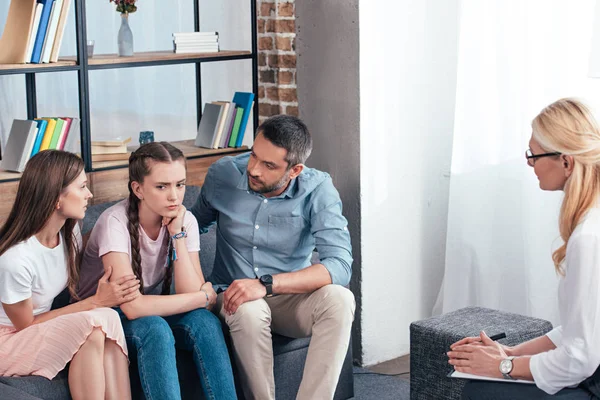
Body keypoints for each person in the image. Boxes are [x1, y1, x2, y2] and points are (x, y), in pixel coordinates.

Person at [191, 114, 356, 400]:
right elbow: (193, 224)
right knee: (248, 309)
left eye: (268, 165)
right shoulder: (223, 174)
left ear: (295, 170)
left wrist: (267, 284)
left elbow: (339, 265)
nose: (253, 169)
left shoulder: (318, 189)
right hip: (232, 294)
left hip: (290, 297)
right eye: (254, 155)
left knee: (342, 299)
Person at [448, 98, 600, 399]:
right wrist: (510, 352)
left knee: (479, 393)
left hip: (593, 382)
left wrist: (504, 366)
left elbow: (580, 358)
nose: (530, 164)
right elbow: (580, 330)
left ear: (566, 162)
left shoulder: (589, 238)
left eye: (533, 155)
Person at [77, 142, 237, 400]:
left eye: (180, 184)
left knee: (205, 323)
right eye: (162, 186)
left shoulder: (186, 221)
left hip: (145, 309)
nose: (174, 196)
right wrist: (203, 297)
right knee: (154, 328)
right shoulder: (113, 223)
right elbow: (131, 307)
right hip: (100, 316)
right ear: (138, 189)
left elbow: (193, 298)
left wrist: (178, 235)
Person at [0, 150, 137, 400]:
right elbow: (25, 325)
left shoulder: (69, 235)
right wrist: (94, 301)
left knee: (106, 317)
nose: (90, 194)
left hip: (41, 327)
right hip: (9, 340)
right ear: (56, 198)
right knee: (93, 322)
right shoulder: (15, 260)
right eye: (82, 187)